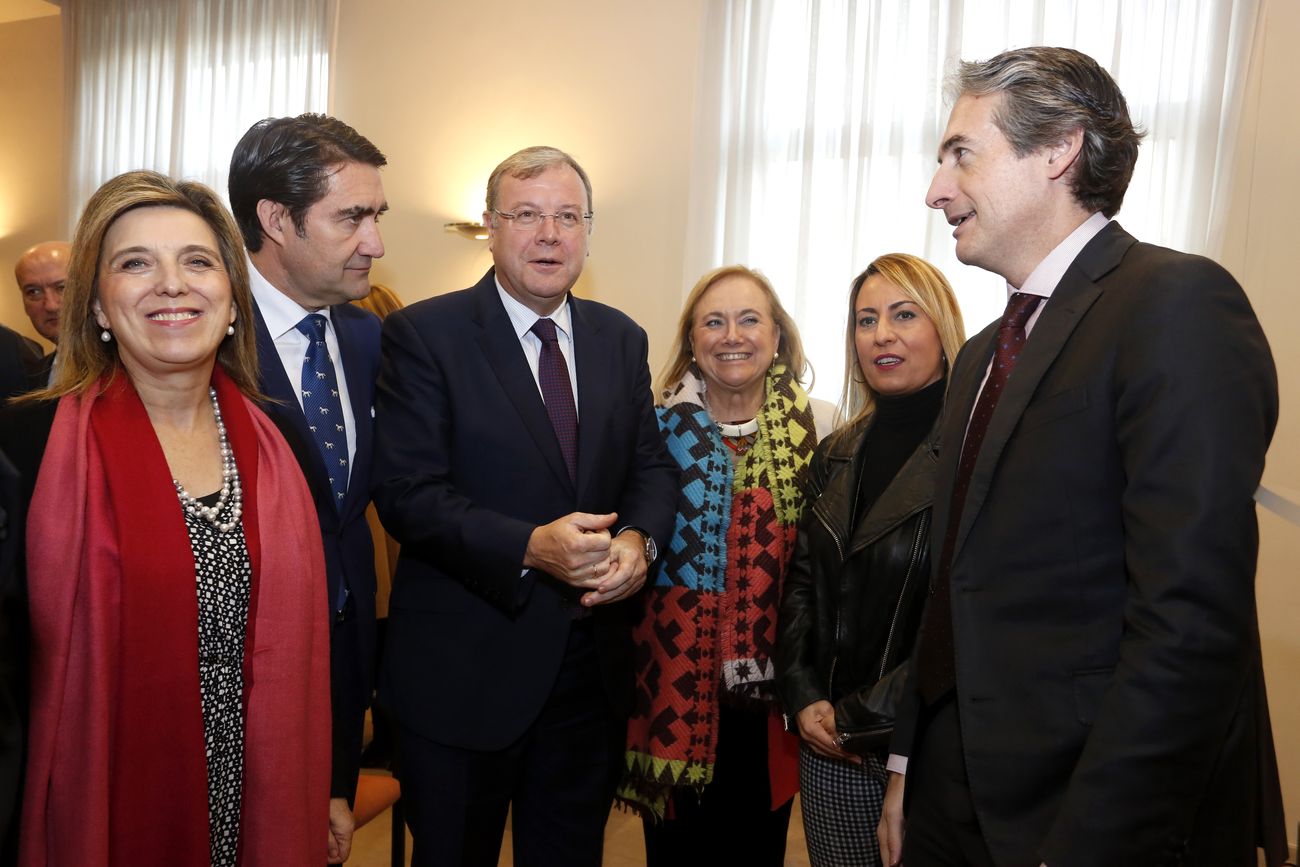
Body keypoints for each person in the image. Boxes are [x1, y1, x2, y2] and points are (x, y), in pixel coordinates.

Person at [879, 46, 1287, 867]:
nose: (936, 191)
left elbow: (1189, 624)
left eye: (961, 154)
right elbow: (953, 581)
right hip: (950, 794)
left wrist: (1091, 841)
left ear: (1059, 149)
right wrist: (904, 766)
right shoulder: (981, 354)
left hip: (1082, 805)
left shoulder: (1172, 304)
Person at [0, 170, 330, 865]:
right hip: (97, 807)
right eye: (135, 263)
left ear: (232, 299)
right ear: (96, 304)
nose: (172, 284)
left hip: (258, 792)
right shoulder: (25, 445)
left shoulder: (285, 442)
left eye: (198, 261)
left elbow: (330, 628)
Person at [372, 145, 678, 867]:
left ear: (588, 230)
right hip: (462, 675)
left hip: (587, 675)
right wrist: (527, 546)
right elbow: (408, 494)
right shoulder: (425, 334)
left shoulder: (619, 337)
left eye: (568, 216)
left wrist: (638, 541)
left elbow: (650, 467)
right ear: (490, 226)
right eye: (528, 215)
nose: (550, 234)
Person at [619, 265, 836, 866]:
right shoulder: (651, 434)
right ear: (692, 340)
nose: (731, 335)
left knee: (757, 852)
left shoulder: (824, 425)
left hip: (774, 699)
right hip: (670, 689)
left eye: (749, 319)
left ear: (777, 337)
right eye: (713, 321)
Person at [228, 112, 387, 862]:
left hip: (344, 660)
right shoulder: (208, 335)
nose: (375, 242)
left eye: (376, 215)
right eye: (352, 216)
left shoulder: (366, 337)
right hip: (238, 668)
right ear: (275, 220)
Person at [775, 254, 964, 867]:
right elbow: (802, 583)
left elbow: (963, 618)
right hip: (829, 743)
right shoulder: (835, 452)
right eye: (866, 320)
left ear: (942, 328)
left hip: (929, 742)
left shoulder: (975, 454)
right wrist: (804, 697)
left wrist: (862, 714)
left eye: (904, 315)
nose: (882, 334)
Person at [14, 241, 70, 387]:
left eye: (62, 288)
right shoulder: (28, 381)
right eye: (34, 292)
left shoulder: (129, 367)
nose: (51, 305)